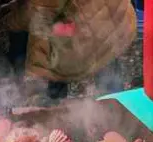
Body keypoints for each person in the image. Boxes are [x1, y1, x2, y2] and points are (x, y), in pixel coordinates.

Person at [7, 0, 137, 99]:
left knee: (56, 77)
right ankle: (118, 113)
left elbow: (41, 15)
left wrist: (11, 21)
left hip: (79, 31)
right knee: (109, 71)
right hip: (111, 20)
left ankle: (55, 110)